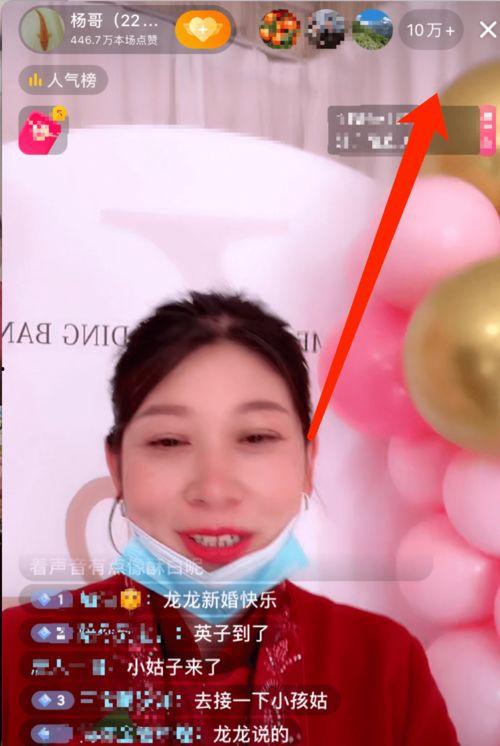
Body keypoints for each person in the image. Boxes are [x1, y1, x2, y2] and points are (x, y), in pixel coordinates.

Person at [3, 290, 459, 745]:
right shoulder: (17, 652)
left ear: (307, 462)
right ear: (117, 466)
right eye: (169, 441)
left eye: (255, 438)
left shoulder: (382, 663)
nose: (214, 489)